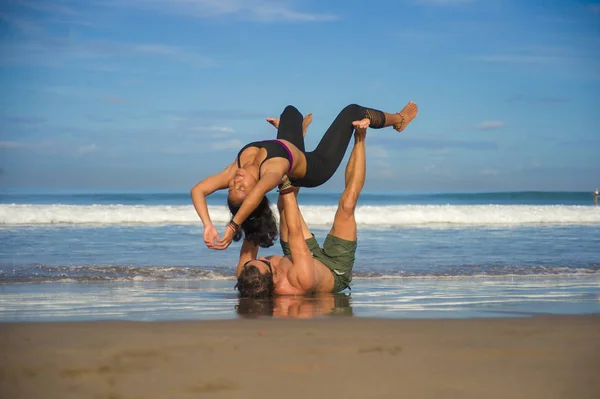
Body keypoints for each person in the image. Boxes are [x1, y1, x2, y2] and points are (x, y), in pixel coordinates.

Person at [190, 102, 418, 251]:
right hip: (316, 167)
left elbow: (197, 190)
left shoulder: (234, 169)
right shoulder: (271, 173)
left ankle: (298, 133)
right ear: (254, 190)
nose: (235, 182)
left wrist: (207, 225)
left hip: (289, 146)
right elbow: (258, 193)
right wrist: (232, 226)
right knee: (353, 111)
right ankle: (399, 120)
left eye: (231, 187)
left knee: (290, 111)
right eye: (240, 188)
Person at [234, 124, 370, 297]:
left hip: (298, 258)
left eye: (253, 262)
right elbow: (295, 231)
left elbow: (253, 234)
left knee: (283, 205)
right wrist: (283, 184)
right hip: (335, 270)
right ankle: (360, 137)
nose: (261, 258)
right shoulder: (299, 282)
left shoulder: (247, 275)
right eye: (267, 264)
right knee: (347, 204)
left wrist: (249, 205)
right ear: (275, 280)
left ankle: (295, 141)